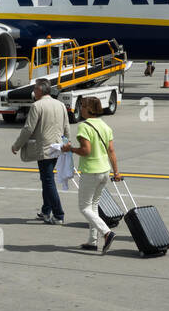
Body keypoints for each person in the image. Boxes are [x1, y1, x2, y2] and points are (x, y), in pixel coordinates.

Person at [61, 97, 119, 254]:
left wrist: (70, 149)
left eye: (82, 106)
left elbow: (86, 150)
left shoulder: (84, 127)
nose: (81, 108)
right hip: (104, 171)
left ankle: (107, 233)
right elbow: (111, 151)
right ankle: (92, 241)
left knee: (84, 207)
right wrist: (116, 172)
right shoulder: (105, 126)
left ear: (89, 109)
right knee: (93, 206)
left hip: (91, 171)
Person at [12, 79, 69, 223]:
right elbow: (66, 127)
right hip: (58, 148)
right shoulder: (60, 104)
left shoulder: (37, 106)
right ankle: (46, 211)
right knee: (46, 180)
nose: (33, 92)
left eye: (35, 89)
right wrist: (67, 144)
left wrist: (17, 145)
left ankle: (58, 215)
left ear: (40, 90)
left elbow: (28, 129)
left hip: (45, 150)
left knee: (48, 181)